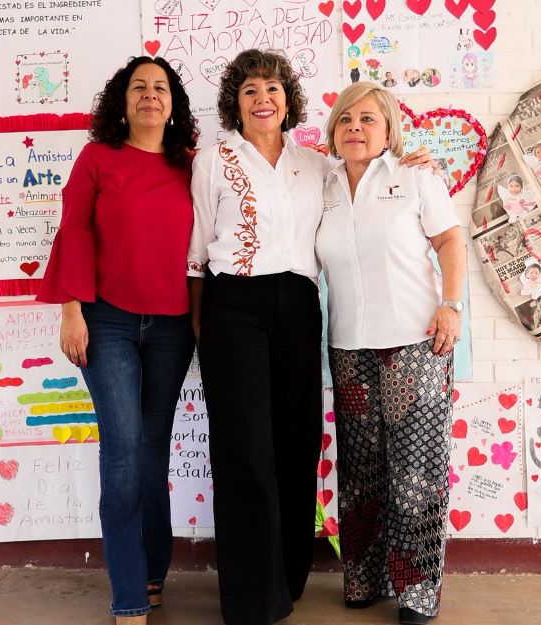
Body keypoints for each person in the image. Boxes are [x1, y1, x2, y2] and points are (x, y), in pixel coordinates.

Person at [186, 50, 434, 625]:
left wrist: (410, 161)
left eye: (272, 88)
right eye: (250, 90)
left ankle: (289, 577)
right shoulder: (213, 160)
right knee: (245, 448)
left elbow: (368, 180)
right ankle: (252, 598)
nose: (263, 99)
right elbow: (197, 249)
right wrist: (201, 323)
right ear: (236, 102)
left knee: (297, 443)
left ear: (288, 100)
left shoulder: (317, 164)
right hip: (233, 305)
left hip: (299, 306)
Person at [36, 56, 198, 625]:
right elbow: (73, 231)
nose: (150, 95)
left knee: (154, 450)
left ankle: (153, 572)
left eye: (161, 88)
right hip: (106, 321)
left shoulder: (191, 165)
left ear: (173, 104)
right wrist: (71, 310)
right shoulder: (97, 158)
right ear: (122, 101)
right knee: (124, 449)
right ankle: (128, 592)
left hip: (173, 326)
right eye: (139, 87)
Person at [316, 82, 466, 625]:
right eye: (346, 118)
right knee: (361, 472)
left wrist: (451, 305)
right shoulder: (321, 182)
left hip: (415, 342)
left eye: (368, 119)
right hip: (349, 345)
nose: (355, 127)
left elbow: (450, 241)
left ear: (388, 130)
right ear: (334, 128)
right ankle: (365, 578)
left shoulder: (415, 175)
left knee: (415, 471)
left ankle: (417, 592)